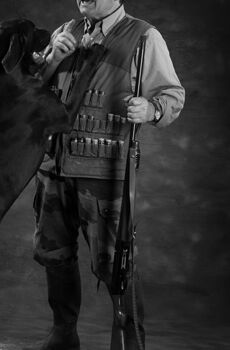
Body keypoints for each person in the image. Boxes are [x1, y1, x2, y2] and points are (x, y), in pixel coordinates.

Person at [32, 0, 185, 349]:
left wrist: (151, 108)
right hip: (53, 169)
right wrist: (52, 58)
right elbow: (30, 93)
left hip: (104, 174)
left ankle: (131, 340)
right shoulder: (66, 32)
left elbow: (173, 94)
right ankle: (63, 334)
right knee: (54, 253)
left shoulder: (144, 38)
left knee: (116, 263)